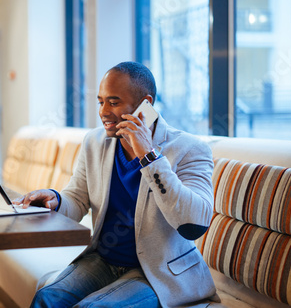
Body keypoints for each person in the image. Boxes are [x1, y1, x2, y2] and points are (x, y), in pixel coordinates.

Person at [14, 61, 217, 307]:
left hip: (158, 273)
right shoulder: (95, 142)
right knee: (47, 298)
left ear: (145, 104)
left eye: (113, 102)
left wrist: (149, 156)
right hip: (103, 260)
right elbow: (77, 198)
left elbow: (194, 223)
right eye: (101, 102)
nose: (103, 112)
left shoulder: (189, 149)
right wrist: (55, 200)